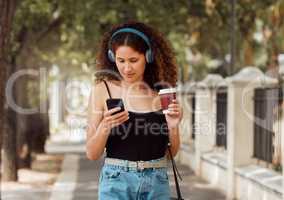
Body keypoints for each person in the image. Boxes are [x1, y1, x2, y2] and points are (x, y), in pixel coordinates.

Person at [86, 21, 183, 200]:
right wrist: (106, 125)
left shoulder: (161, 94)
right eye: (120, 60)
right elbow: (92, 153)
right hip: (116, 182)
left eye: (133, 60)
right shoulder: (102, 90)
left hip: (157, 182)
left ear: (148, 56)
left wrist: (173, 126)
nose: (126, 68)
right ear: (111, 57)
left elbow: (171, 154)